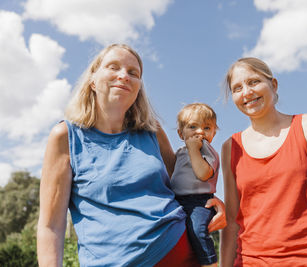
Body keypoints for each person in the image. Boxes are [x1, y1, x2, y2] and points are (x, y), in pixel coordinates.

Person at [37, 44, 226, 267]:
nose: (124, 76)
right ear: (93, 80)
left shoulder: (152, 131)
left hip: (184, 256)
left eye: (133, 73)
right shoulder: (66, 137)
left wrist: (212, 204)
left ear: (138, 87)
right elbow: (51, 227)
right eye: (113, 67)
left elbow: (186, 184)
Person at [219, 57, 307, 266]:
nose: (247, 92)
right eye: (237, 88)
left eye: (254, 82)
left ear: (273, 85)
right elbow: (231, 223)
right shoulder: (230, 147)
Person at [170, 103, 220, 267]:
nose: (200, 132)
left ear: (213, 133)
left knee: (198, 231)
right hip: (177, 200)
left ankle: (210, 263)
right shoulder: (179, 153)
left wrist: (193, 150)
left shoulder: (207, 150)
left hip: (199, 202)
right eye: (193, 126)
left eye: (207, 128)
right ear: (180, 133)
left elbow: (203, 174)